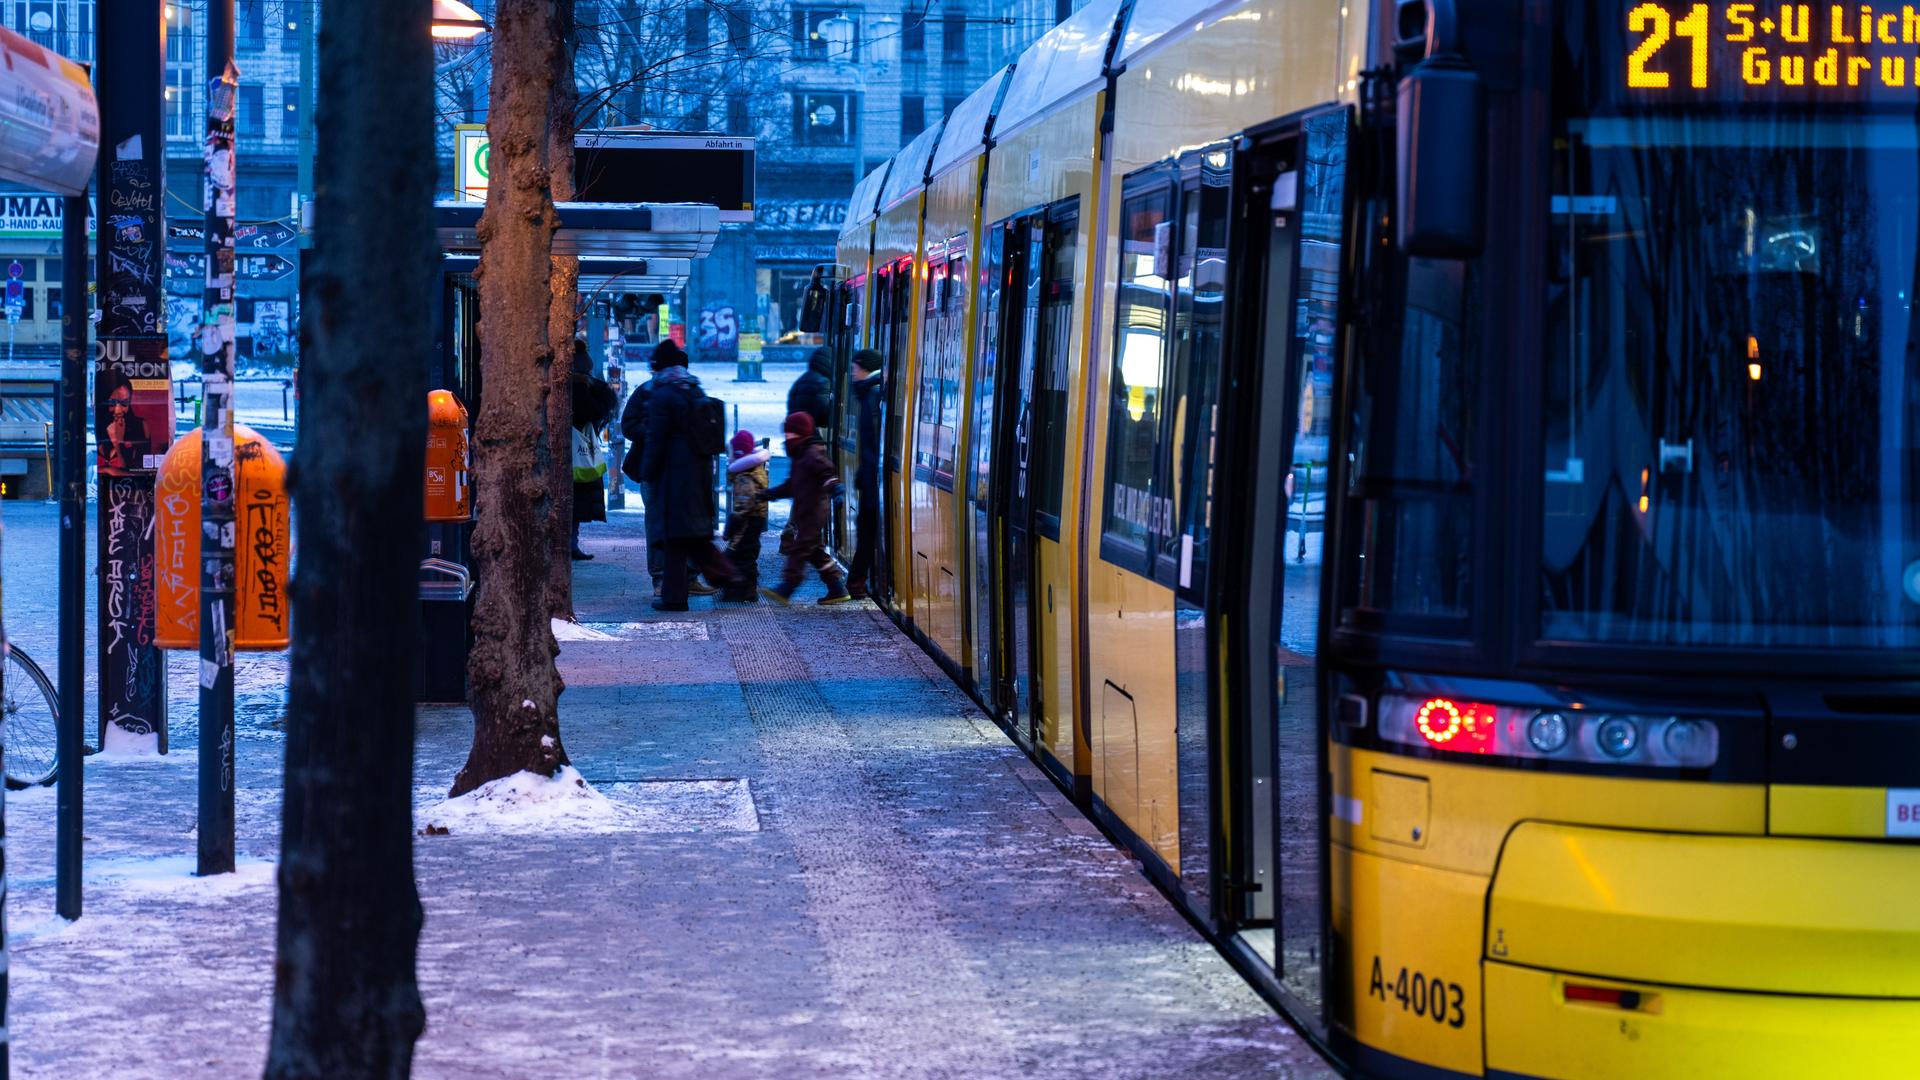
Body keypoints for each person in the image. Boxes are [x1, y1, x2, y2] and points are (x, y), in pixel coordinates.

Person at [638, 341, 740, 611]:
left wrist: (647, 471)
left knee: (681, 538)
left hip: (674, 477)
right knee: (687, 539)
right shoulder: (692, 388)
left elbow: (656, 440)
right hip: (697, 473)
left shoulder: (662, 394)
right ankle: (681, 595)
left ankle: (719, 582)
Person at [620, 340, 711, 594]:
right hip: (681, 470)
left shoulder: (660, 390)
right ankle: (678, 579)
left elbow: (629, 425)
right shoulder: (684, 390)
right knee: (681, 524)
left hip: (665, 469)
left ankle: (669, 580)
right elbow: (629, 425)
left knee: (663, 525)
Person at [762, 411, 850, 606]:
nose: (786, 437)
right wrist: (768, 494)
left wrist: (837, 489)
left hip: (814, 512)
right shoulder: (800, 456)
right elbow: (791, 485)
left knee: (800, 549)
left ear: (801, 434)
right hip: (807, 512)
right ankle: (837, 588)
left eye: (790, 433)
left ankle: (787, 588)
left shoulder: (811, 455)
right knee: (815, 551)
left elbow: (827, 474)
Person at [570, 340, 619, 560]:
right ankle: (571, 545)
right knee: (574, 503)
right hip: (576, 452)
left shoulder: (576, 386)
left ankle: (571, 544)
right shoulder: (581, 389)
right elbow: (598, 408)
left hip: (572, 450)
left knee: (572, 503)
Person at [847, 348, 885, 600]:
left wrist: (866, 475)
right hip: (871, 476)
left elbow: (873, 444)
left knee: (866, 531)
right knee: (866, 531)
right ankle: (858, 581)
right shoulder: (869, 394)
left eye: (855, 368)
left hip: (874, 479)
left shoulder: (871, 396)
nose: (852, 373)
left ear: (865, 369)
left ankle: (857, 582)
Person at [720, 429, 771, 602]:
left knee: (739, 555)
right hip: (755, 520)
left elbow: (741, 509)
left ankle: (742, 590)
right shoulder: (756, 471)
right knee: (748, 554)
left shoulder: (744, 478)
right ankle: (747, 589)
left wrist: (729, 530)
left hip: (747, 523)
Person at [96, 369, 150, 476]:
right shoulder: (91, 426)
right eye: (112, 403)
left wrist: (117, 443)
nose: (118, 410)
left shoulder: (141, 427)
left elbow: (143, 474)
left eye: (124, 403)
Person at [786, 346, 833, 433]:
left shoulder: (801, 380)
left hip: (796, 432)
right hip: (811, 433)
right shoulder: (823, 382)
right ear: (830, 363)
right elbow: (825, 412)